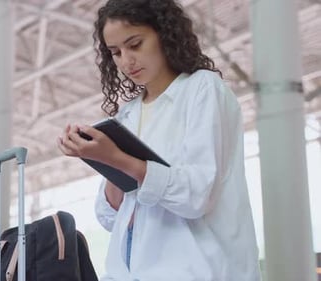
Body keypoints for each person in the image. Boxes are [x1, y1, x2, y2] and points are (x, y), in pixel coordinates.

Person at [56, 0, 261, 280]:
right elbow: (111, 218)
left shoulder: (201, 89)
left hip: (197, 270)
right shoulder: (128, 114)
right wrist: (103, 160)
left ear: (164, 33)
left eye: (135, 44)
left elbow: (197, 195)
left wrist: (119, 159)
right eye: (115, 52)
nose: (126, 61)